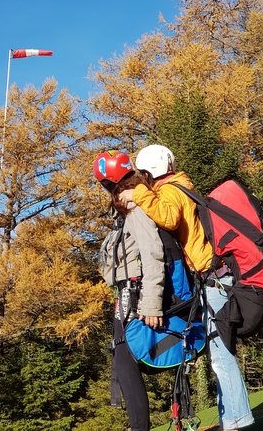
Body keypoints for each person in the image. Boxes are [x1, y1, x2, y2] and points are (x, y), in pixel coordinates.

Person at [119, 144, 254, 431]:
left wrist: (137, 195)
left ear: (150, 172)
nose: (142, 182)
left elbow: (167, 217)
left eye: (143, 176)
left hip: (215, 277)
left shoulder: (172, 190)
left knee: (221, 354)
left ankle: (236, 424)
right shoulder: (179, 185)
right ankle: (230, 420)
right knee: (219, 351)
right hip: (213, 277)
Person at [93, 149, 166, 431]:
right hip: (127, 294)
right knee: (123, 359)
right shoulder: (129, 207)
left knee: (125, 360)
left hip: (135, 296)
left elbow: (153, 254)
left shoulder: (135, 209)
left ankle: (139, 427)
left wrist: (151, 303)